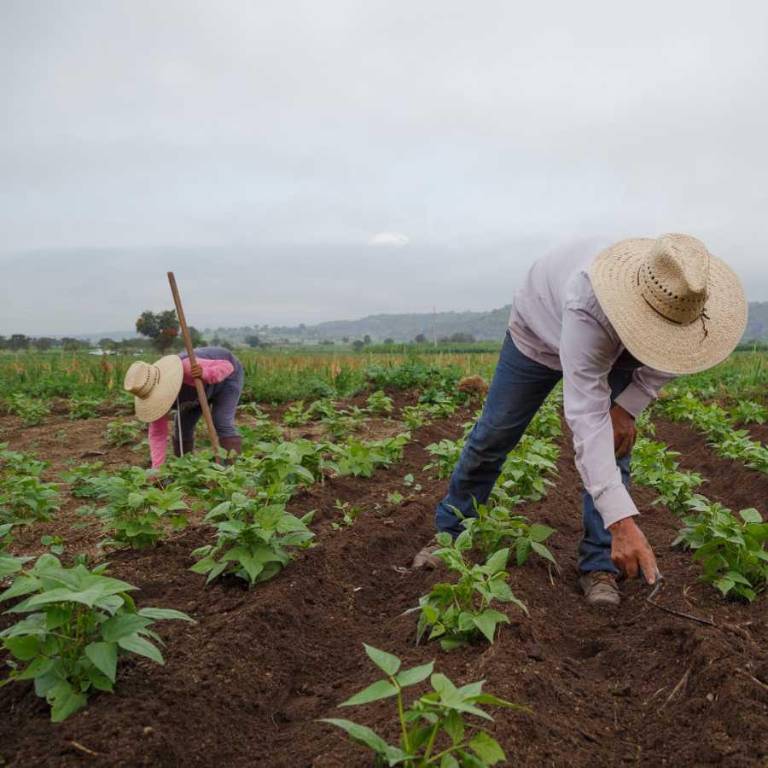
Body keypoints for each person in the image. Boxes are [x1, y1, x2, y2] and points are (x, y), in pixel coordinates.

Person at [413, 234, 747, 608]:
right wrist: (623, 522)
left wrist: (627, 408)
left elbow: (673, 361)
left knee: (616, 445)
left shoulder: (690, 301)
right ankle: (450, 534)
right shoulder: (589, 300)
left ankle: (599, 565)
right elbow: (586, 420)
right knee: (494, 433)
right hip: (539, 334)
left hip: (621, 348)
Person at [123, 346, 244, 468]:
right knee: (182, 426)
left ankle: (232, 470)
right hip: (196, 392)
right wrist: (157, 469)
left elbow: (227, 366)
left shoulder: (186, 367)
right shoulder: (152, 396)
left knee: (221, 421)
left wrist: (205, 373)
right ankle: (185, 468)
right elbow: (157, 434)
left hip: (227, 379)